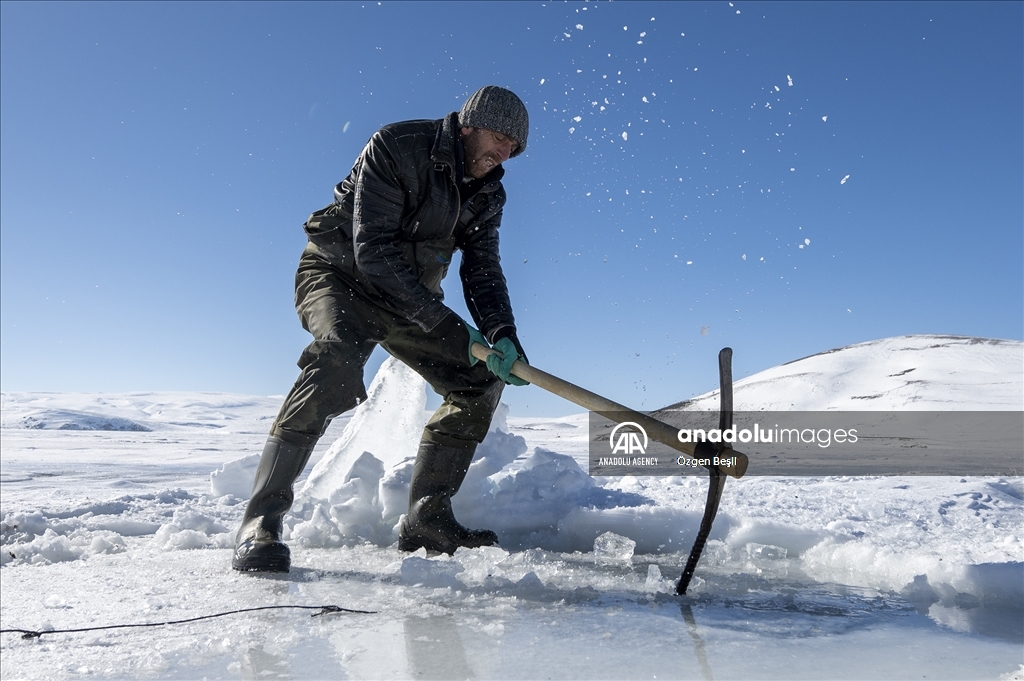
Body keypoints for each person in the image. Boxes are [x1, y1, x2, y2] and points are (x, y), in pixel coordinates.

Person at [232, 86, 531, 573]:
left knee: (479, 379)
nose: (504, 154)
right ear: (469, 125)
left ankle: (427, 518)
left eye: (513, 149)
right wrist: (449, 327)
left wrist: (502, 332)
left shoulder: (489, 192)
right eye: (499, 138)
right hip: (341, 274)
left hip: (409, 298)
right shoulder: (398, 145)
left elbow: (482, 270)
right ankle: (259, 522)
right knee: (336, 359)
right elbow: (371, 248)